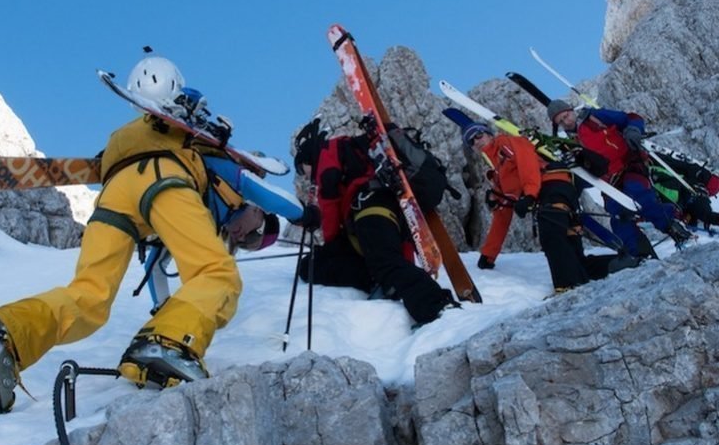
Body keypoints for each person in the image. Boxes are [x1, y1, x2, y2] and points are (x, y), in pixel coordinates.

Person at [0, 53, 304, 416]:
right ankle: (169, 343)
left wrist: (161, 311)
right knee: (217, 274)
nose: (244, 236)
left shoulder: (136, 140)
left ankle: (3, 334)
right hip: (167, 180)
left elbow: (155, 262)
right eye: (250, 234)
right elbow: (258, 189)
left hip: (113, 193)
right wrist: (305, 213)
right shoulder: (209, 158)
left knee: (88, 299)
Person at [292, 119, 456, 326]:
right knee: (311, 265)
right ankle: (383, 283)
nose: (304, 176)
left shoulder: (327, 152)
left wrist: (333, 242)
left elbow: (329, 202)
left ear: (307, 158)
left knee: (385, 263)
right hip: (388, 213)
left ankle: (437, 306)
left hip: (370, 207)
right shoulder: (352, 150)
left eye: (301, 169)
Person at [461, 122, 634, 293]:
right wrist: (488, 255)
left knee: (551, 235)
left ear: (489, 134)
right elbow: (502, 216)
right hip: (555, 193)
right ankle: (620, 263)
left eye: (479, 135)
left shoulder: (506, 142)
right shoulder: (499, 176)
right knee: (571, 254)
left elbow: (526, 160)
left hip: (552, 185)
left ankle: (567, 288)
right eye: (471, 141)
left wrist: (529, 194)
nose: (476, 141)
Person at [547, 100, 692, 256]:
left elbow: (631, 117)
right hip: (610, 183)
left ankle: (674, 227)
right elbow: (586, 177)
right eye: (561, 121)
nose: (566, 122)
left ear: (571, 110)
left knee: (637, 193)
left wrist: (633, 130)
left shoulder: (594, 117)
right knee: (618, 216)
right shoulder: (570, 145)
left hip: (630, 163)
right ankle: (642, 255)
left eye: (566, 115)